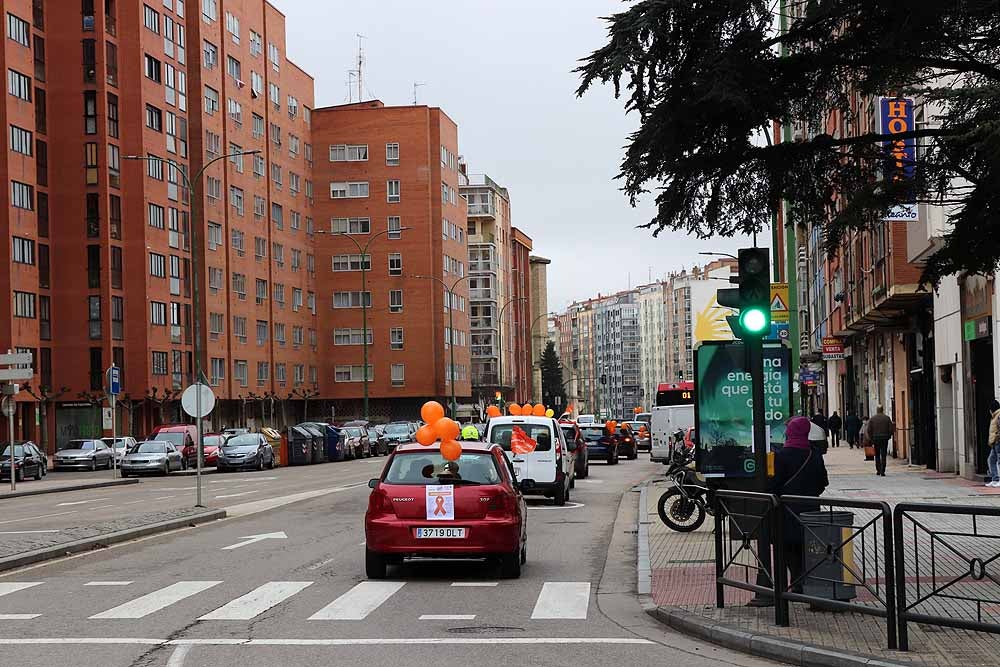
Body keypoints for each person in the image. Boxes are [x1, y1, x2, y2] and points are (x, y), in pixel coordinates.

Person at [769, 416, 829, 594]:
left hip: (786, 511)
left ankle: (796, 582)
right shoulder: (814, 455)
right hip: (810, 510)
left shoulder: (781, 456)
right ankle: (806, 582)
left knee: (787, 547)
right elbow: (823, 482)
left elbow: (774, 484)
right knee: (806, 547)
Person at [866, 406, 895, 476]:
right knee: (883, 454)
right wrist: (888, 436)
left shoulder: (873, 419)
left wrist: (871, 438)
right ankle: (883, 470)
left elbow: (869, 430)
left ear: (877, 410)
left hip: (876, 438)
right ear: (882, 410)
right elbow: (891, 429)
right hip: (884, 438)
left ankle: (878, 470)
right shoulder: (887, 418)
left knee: (877, 455)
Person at [986, 400, 1000, 487]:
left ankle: (997, 480)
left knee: (999, 461)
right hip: (995, 442)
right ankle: (995, 479)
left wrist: (997, 437)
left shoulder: (998, 416)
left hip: (998, 441)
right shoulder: (994, 416)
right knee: (991, 460)